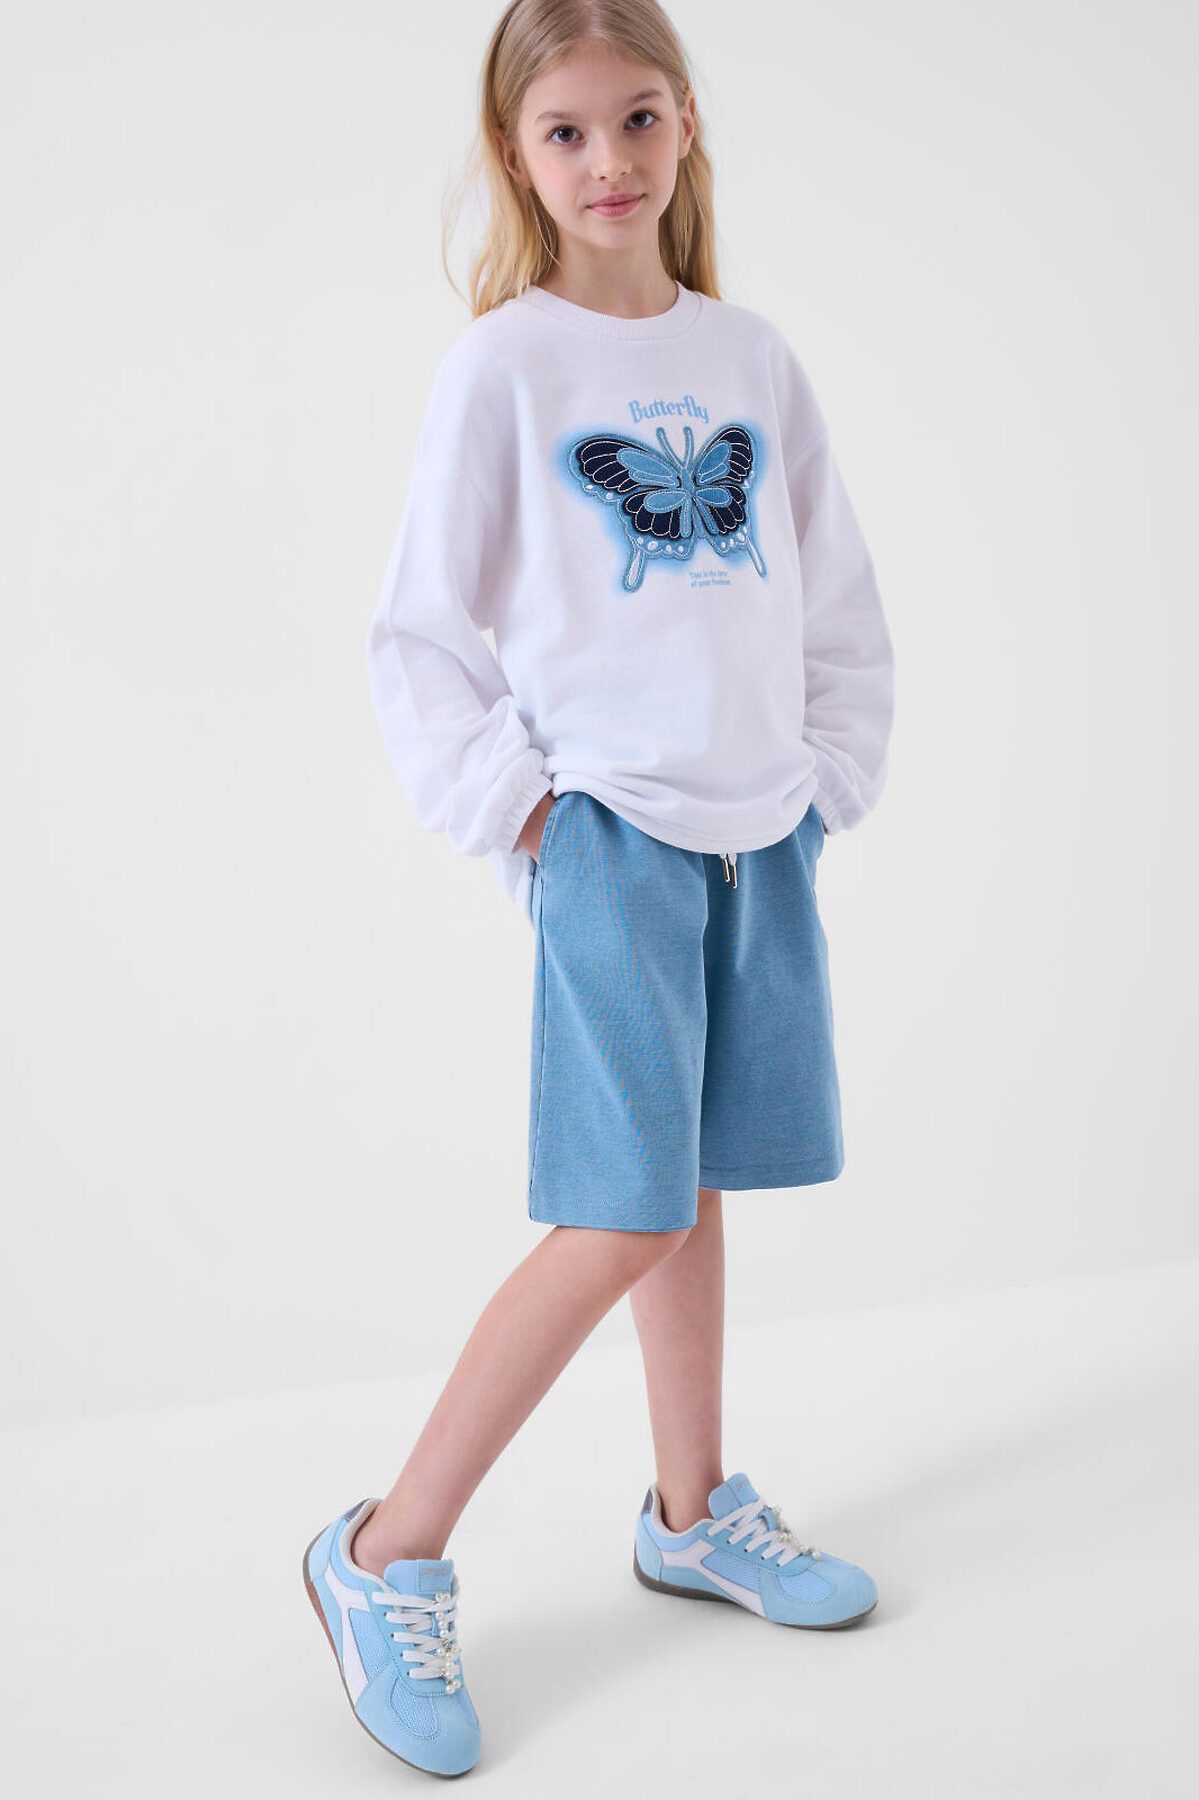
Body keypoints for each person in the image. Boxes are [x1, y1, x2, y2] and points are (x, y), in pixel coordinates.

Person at [303, 0, 895, 1777]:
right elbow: (420, 635)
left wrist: (824, 780)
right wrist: (530, 818)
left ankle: (691, 1510)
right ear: (517, 155)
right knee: (622, 1207)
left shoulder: (749, 356)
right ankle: (385, 1549)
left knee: (691, 1180)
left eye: (637, 118)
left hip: (758, 826)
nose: (609, 161)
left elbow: (833, 588)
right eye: (565, 132)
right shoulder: (506, 368)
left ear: (687, 122)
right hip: (611, 832)